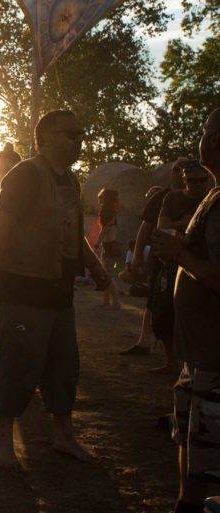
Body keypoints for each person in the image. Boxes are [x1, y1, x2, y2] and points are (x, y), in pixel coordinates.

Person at [0, 110, 109, 469]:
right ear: (46, 136)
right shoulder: (25, 174)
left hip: (60, 294)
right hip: (24, 291)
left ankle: (64, 436)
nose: (78, 142)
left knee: (63, 368)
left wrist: (96, 268)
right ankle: (3, 441)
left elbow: (73, 231)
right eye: (70, 134)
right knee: (16, 366)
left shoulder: (69, 180)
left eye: (80, 135)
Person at [152, 107, 220, 513]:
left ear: (215, 142)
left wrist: (181, 255)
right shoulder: (213, 194)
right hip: (199, 357)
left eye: (204, 131)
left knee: (208, 455)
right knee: (189, 441)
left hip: (215, 357)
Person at [150, 160, 212, 374]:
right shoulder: (173, 198)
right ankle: (172, 363)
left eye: (202, 180)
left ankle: (191, 367)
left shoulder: (210, 200)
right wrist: (184, 223)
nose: (197, 185)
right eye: (192, 180)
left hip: (198, 266)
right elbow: (161, 226)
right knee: (163, 314)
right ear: (184, 180)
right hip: (171, 265)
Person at [120, 162, 186, 356]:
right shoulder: (161, 197)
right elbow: (146, 228)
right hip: (161, 258)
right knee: (154, 299)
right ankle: (146, 341)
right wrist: (137, 257)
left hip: (185, 259)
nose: (180, 174)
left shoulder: (199, 197)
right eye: (178, 169)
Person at [96, 188, 122, 309]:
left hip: (109, 246)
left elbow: (104, 230)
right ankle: (106, 301)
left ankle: (116, 303)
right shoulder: (111, 212)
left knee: (108, 275)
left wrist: (96, 244)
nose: (99, 198)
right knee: (106, 274)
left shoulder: (108, 213)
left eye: (101, 197)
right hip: (109, 245)